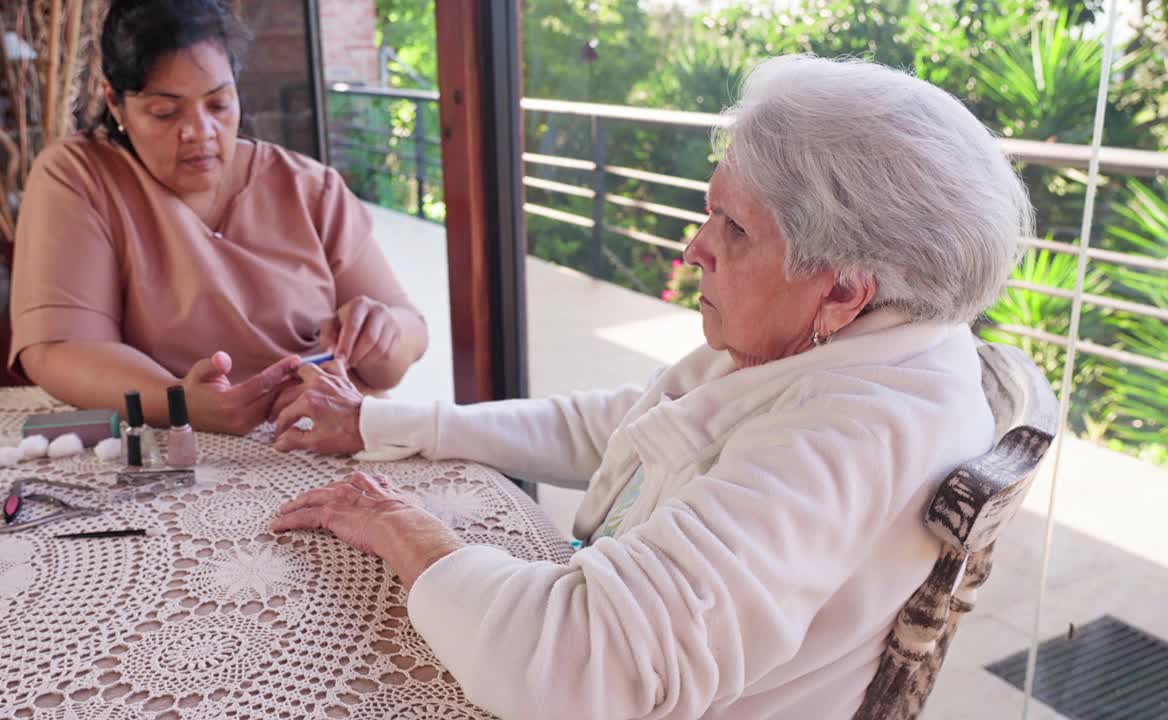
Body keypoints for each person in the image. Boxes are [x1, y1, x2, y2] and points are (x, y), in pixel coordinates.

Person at [269, 55, 1035, 720]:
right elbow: (632, 422)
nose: (695, 247)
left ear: (842, 291)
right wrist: (386, 421)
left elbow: (577, 661)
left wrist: (410, 533)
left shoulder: (854, 434)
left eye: (733, 228)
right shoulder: (860, 340)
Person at [8, 0, 427, 434]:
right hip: (177, 449)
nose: (200, 132)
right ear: (115, 102)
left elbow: (409, 331)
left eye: (219, 105)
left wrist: (381, 333)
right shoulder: (81, 176)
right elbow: (59, 347)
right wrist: (178, 402)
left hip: (327, 432)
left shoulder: (308, 187)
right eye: (166, 112)